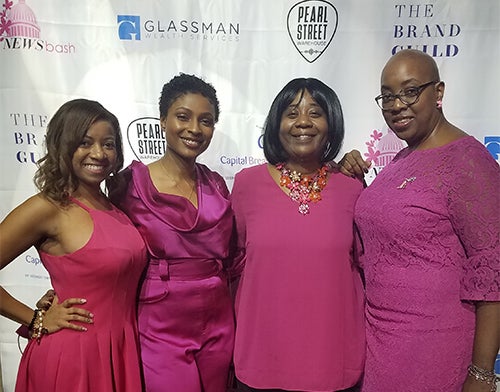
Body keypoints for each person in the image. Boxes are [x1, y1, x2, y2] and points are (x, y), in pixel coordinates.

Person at [340, 49, 500, 392]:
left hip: (434, 344)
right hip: (379, 340)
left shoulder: (469, 162)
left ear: (438, 93)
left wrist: (482, 374)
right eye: (387, 96)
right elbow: (390, 227)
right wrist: (350, 179)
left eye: (410, 91)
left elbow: (493, 270)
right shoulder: (402, 157)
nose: (397, 104)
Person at [0, 99, 147, 392]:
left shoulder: (115, 205)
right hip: (73, 358)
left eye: (108, 144)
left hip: (121, 349)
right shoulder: (47, 208)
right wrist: (34, 318)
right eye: (84, 142)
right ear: (63, 145)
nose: (99, 153)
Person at [231, 78, 365, 391]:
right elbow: (229, 263)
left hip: (333, 363)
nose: (303, 121)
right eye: (291, 113)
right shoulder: (246, 185)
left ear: (331, 123)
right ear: (276, 123)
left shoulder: (353, 189)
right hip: (261, 360)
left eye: (315, 113)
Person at [110, 73, 235, 392]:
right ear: (163, 120)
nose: (194, 129)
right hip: (160, 323)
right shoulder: (129, 185)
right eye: (183, 117)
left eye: (205, 121)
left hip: (218, 321)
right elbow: (104, 249)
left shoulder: (217, 184)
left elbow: (235, 254)